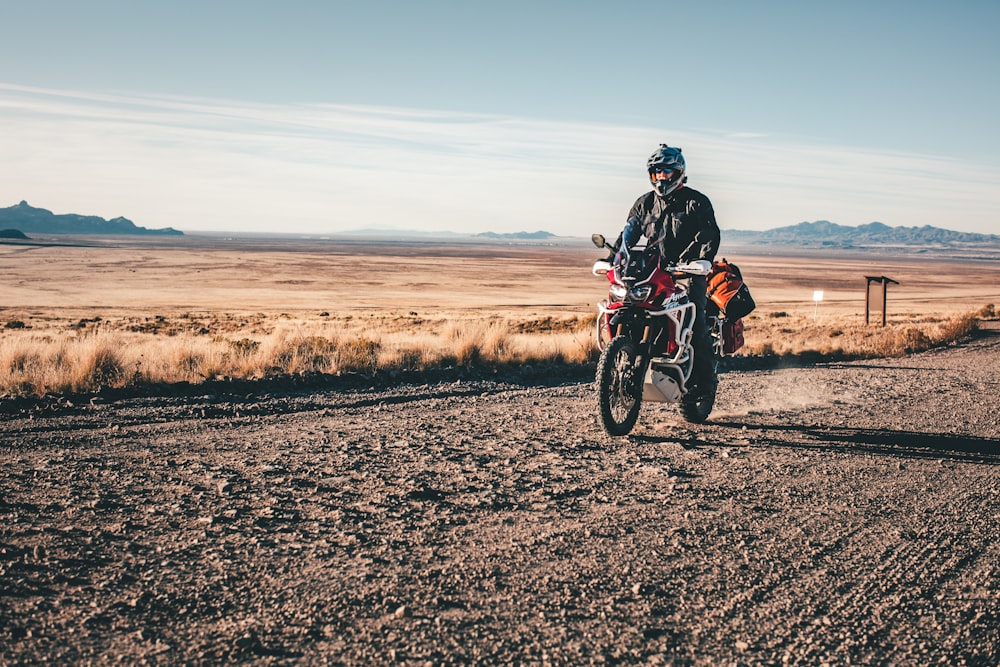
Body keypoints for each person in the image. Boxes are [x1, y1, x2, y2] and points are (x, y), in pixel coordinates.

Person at [614, 144, 721, 398]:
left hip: (687, 273)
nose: (661, 177)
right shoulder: (645, 203)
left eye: (666, 172)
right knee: (628, 306)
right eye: (656, 172)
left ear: (679, 172)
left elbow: (710, 234)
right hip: (652, 272)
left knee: (695, 325)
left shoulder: (696, 202)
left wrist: (703, 260)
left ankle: (704, 387)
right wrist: (613, 258)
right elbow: (627, 235)